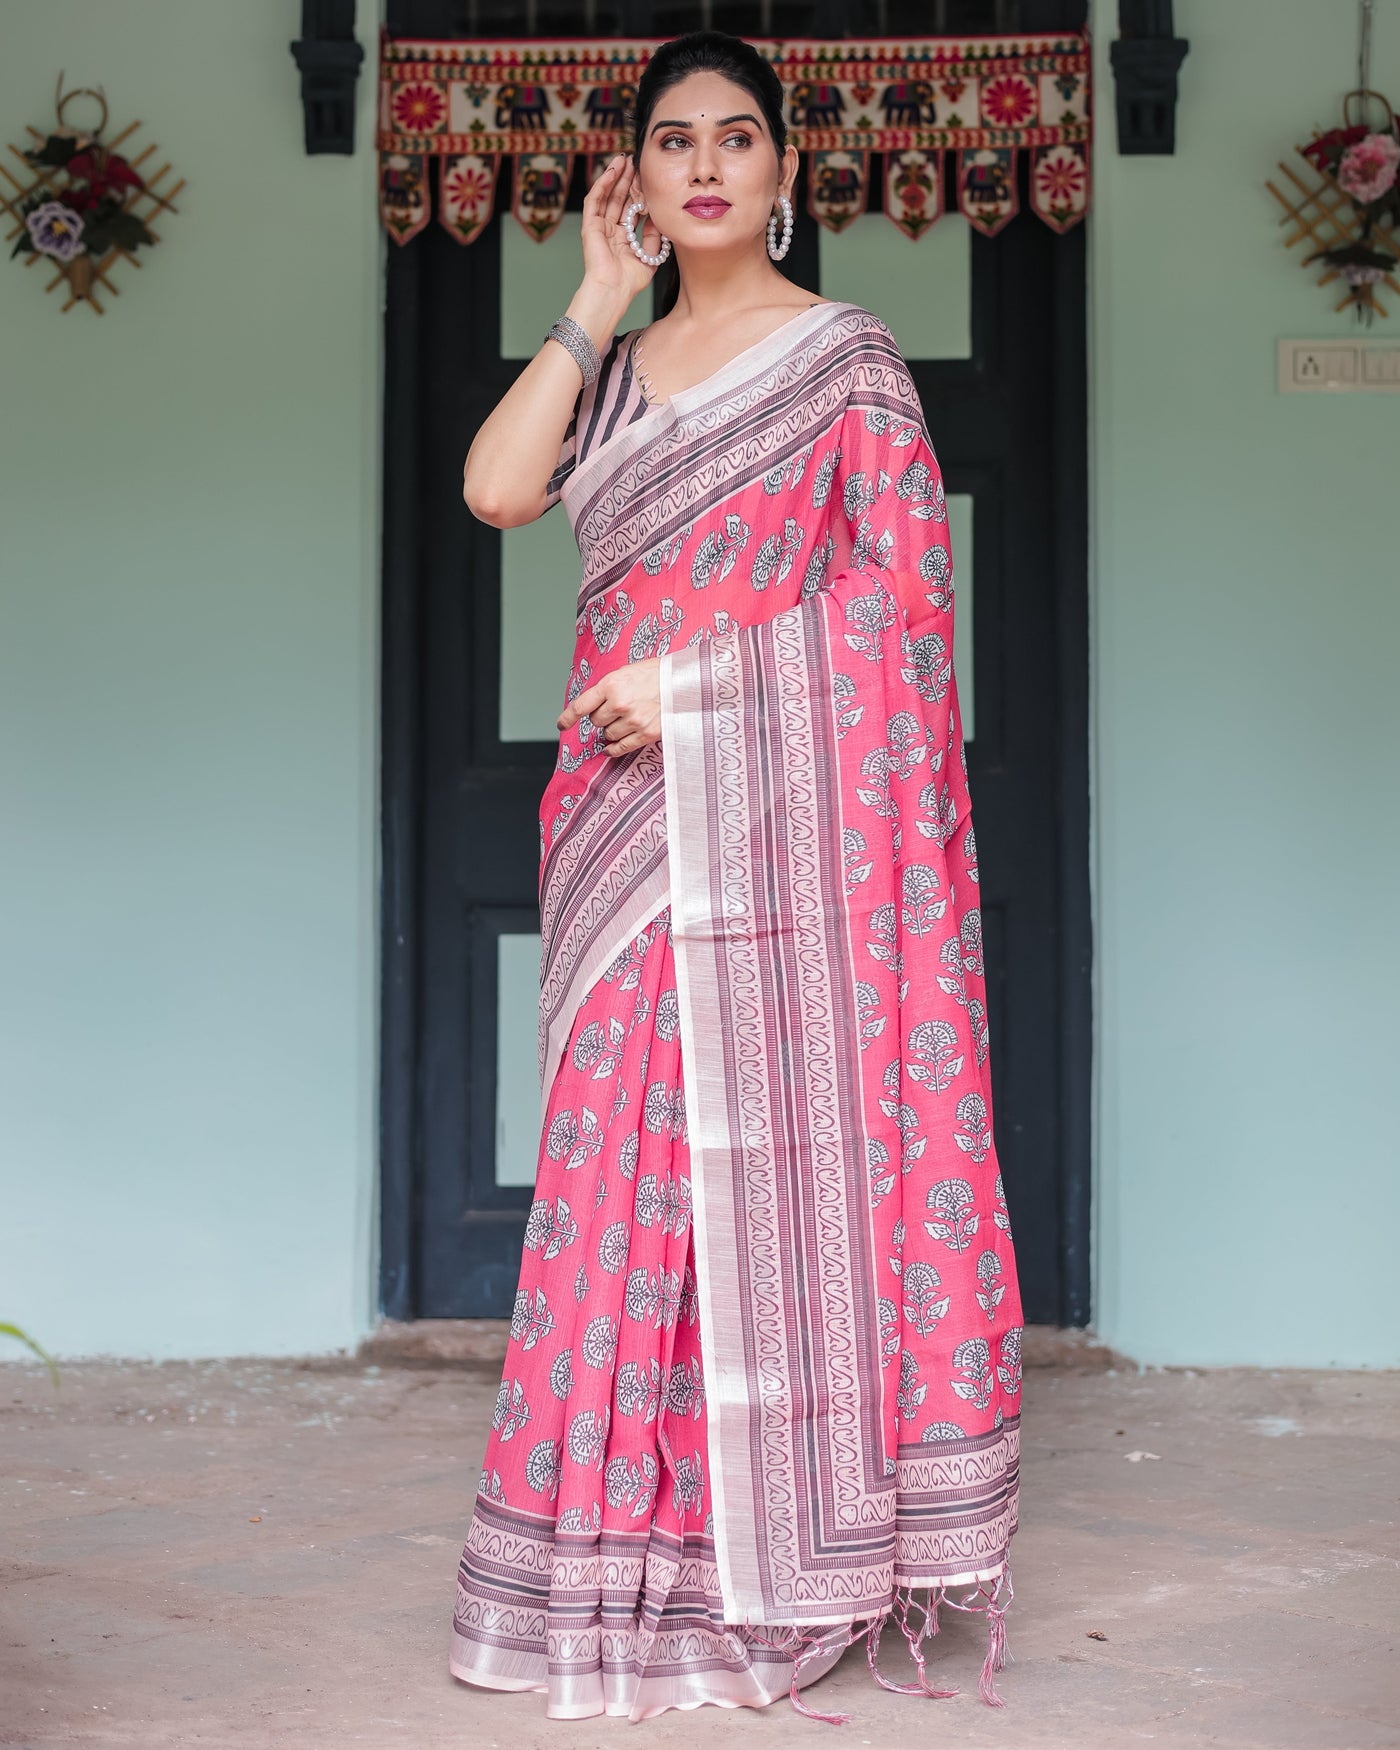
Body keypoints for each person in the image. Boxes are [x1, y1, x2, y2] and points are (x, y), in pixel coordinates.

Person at [450, 28, 1023, 1726]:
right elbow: (494, 489)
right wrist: (585, 300)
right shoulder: (613, 373)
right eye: (673, 141)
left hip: (778, 849)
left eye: (739, 138)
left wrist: (695, 692)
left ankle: (763, 1569)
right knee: (616, 1195)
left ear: (788, 172)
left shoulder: (844, 364)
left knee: (745, 1190)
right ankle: (600, 1562)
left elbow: (906, 617)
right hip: (621, 841)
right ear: (633, 174)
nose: (706, 165)